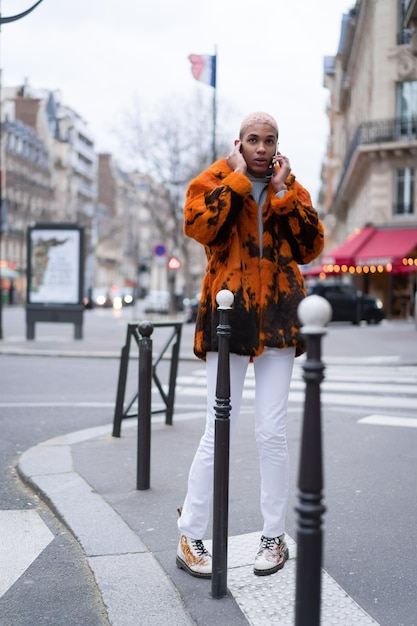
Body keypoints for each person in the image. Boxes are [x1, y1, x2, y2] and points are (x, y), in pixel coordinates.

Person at [176, 111, 324, 578]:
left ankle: (273, 537)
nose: (261, 148)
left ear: (278, 145)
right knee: (217, 429)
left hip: (279, 320)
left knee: (271, 433)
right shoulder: (214, 181)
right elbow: (200, 228)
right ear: (239, 143)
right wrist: (238, 181)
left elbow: (311, 246)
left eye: (270, 140)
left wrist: (281, 193)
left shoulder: (290, 188)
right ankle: (191, 534)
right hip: (228, 321)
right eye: (253, 140)